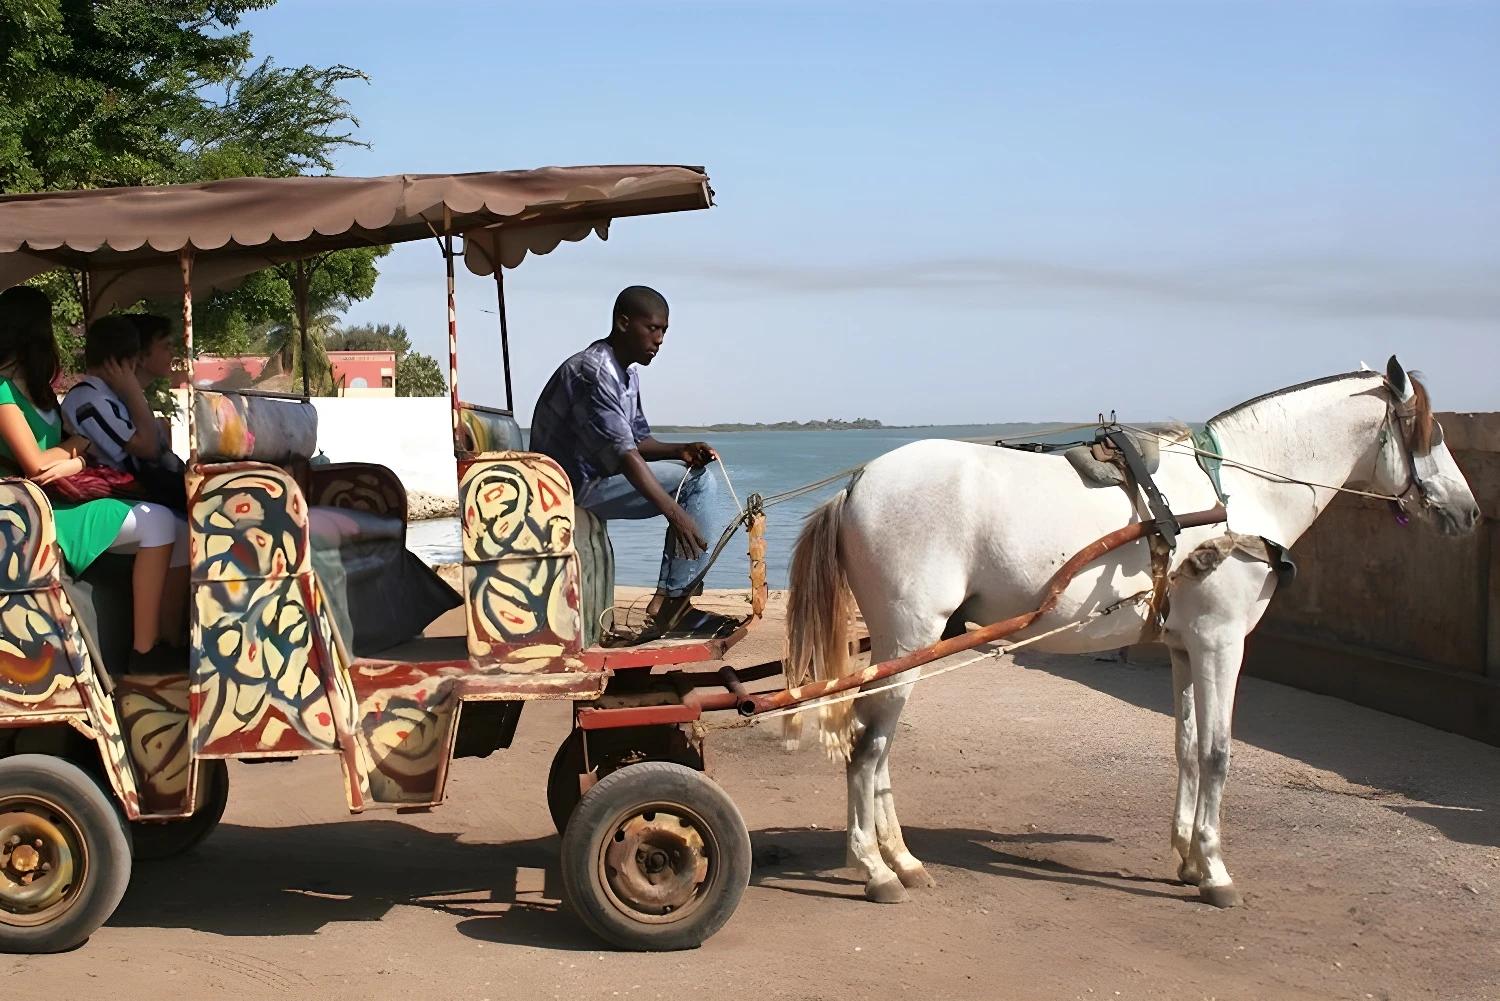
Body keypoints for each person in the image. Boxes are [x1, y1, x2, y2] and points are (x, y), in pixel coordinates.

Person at [0, 288, 187, 670]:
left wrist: (74, 459)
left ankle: (172, 643)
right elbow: (35, 463)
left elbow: (73, 457)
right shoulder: (2, 390)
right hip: (29, 513)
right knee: (158, 521)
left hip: (55, 500)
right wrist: (75, 449)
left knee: (182, 534)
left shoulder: (39, 392)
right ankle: (144, 654)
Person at [530, 285, 721, 638]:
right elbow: (626, 454)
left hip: (592, 479)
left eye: (664, 331)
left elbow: (638, 440)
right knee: (697, 483)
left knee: (693, 472)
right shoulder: (596, 371)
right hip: (569, 488)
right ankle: (674, 605)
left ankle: (672, 599)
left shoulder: (626, 374)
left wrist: (680, 450)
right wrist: (674, 513)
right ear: (623, 323)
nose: (660, 339)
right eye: (653, 328)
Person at [62, 314, 186, 508]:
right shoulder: (89, 399)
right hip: (120, 498)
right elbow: (149, 449)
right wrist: (133, 391)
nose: (173, 352)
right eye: (166, 345)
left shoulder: (112, 398)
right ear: (133, 358)